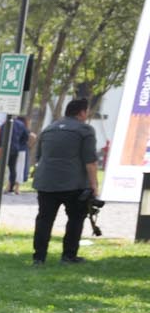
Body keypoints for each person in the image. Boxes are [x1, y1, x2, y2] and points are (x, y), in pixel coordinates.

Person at [31, 98, 99, 264]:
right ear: (82, 112)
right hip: (73, 184)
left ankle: (39, 257)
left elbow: (39, 156)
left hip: (46, 182)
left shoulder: (49, 129)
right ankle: (68, 255)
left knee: (44, 220)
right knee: (76, 219)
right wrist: (94, 186)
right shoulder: (85, 130)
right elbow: (90, 161)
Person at [7, 114, 29, 191]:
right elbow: (28, 136)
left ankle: (9, 186)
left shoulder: (11, 125)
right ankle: (17, 188)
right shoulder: (23, 126)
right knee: (20, 168)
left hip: (12, 149)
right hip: (22, 149)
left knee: (11, 168)